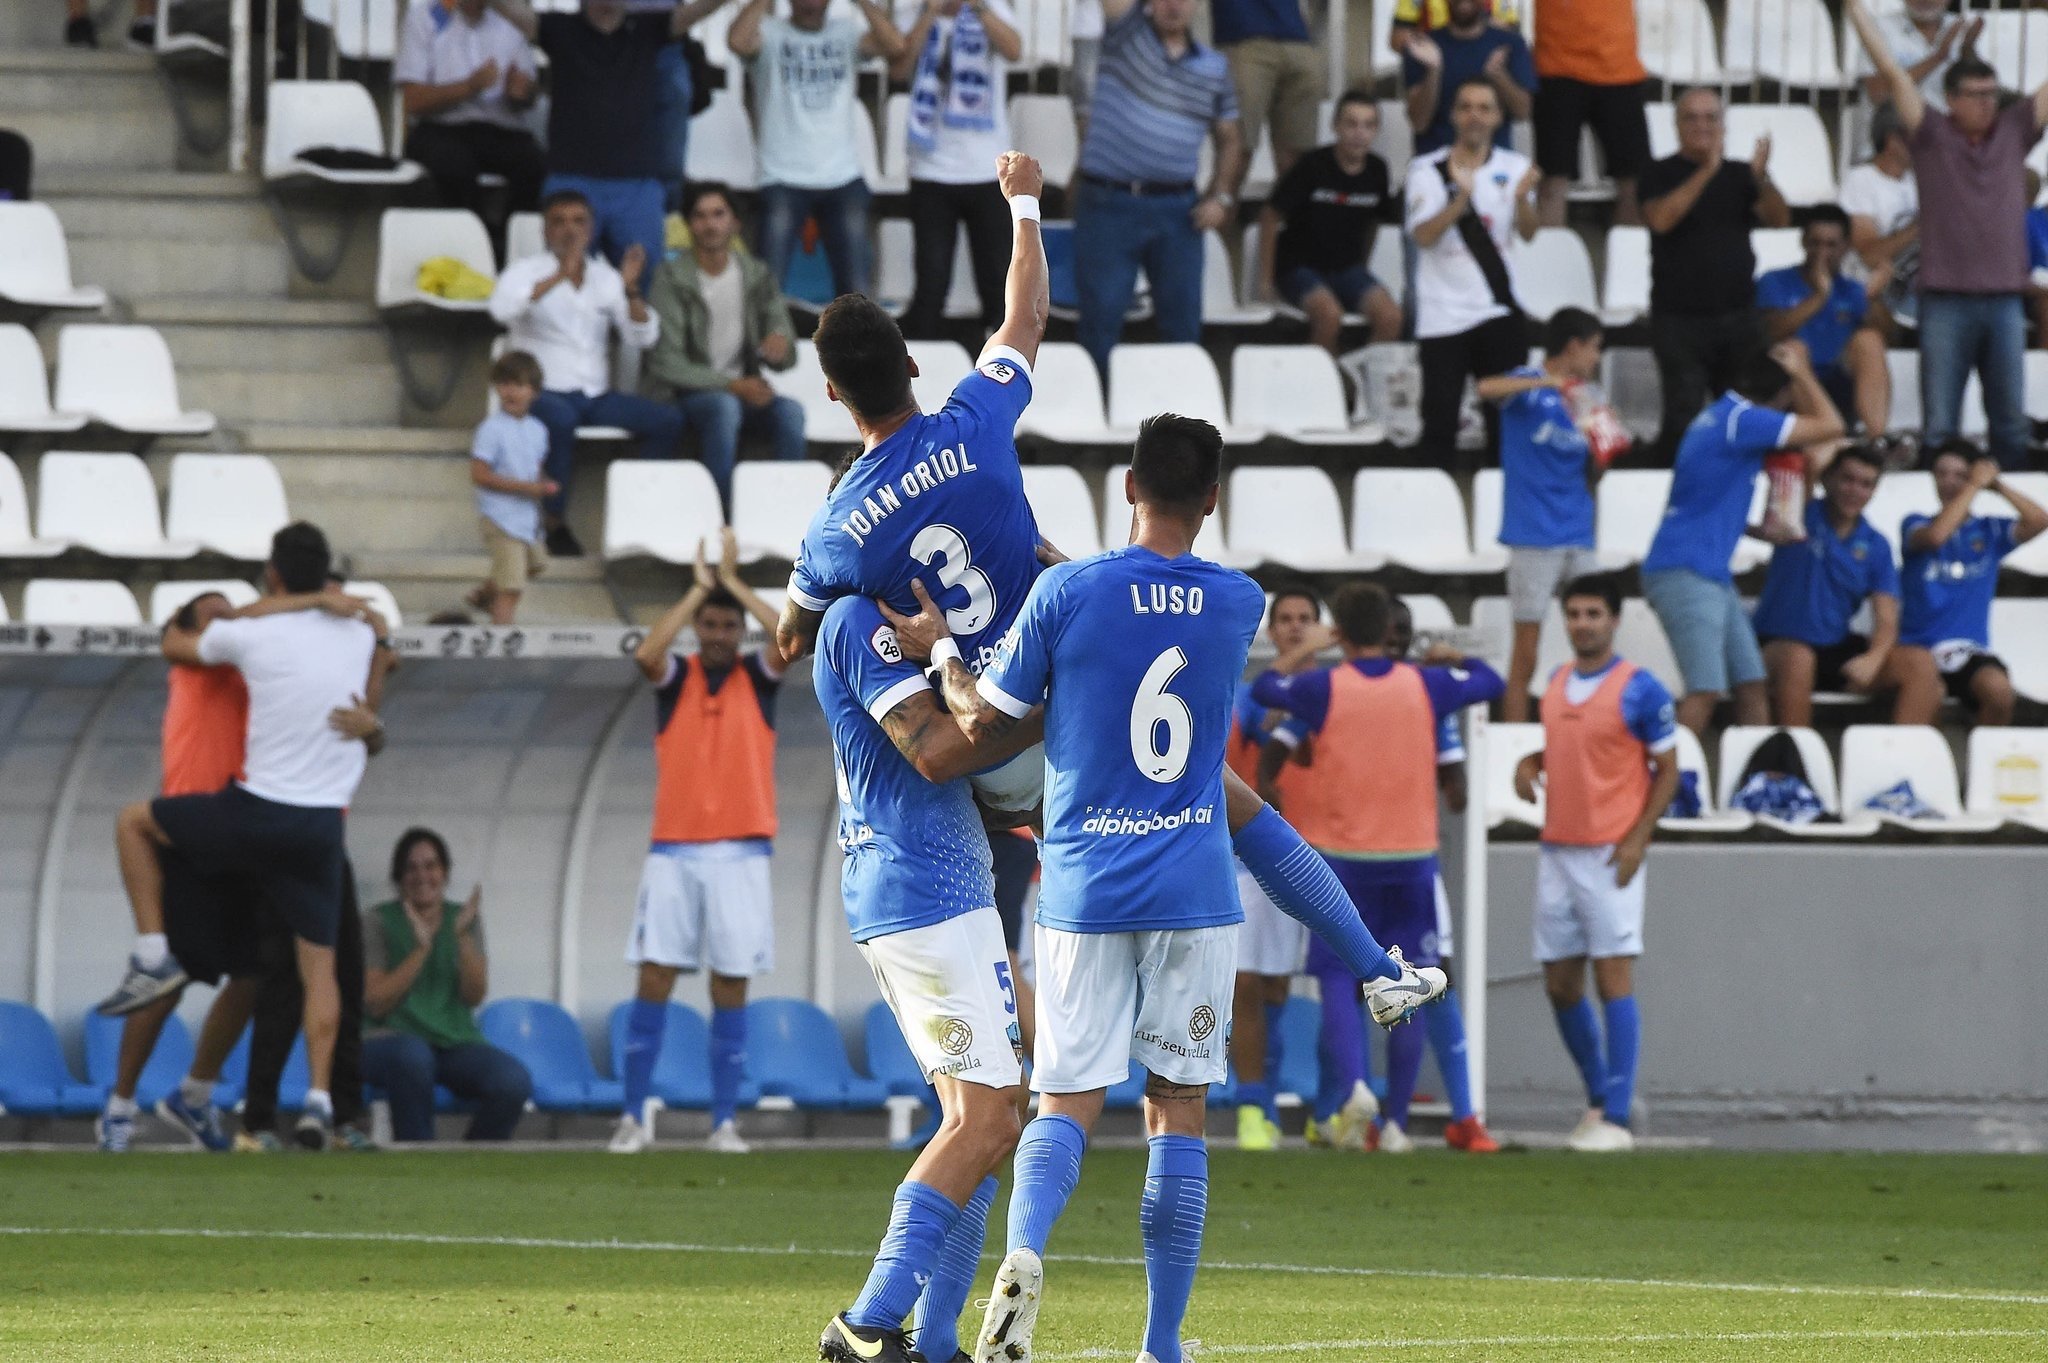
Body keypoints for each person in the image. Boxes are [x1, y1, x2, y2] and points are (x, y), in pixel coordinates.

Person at [887, 417, 1444, 1363]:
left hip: (1082, 888)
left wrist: (941, 650)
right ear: (1214, 497)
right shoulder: (1239, 600)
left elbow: (984, 718)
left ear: (1130, 480)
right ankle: (1162, 1341)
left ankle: (1023, 1254)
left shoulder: (1069, 591)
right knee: (1176, 1109)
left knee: (1062, 1105)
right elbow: (1147, 612)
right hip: (1191, 884)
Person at [807, 568, 1046, 1363]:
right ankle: (867, 1325)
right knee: (982, 1117)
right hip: (918, 888)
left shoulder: (907, 619)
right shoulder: (851, 619)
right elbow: (940, 750)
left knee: (992, 1117)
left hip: (951, 887)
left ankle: (938, 1341)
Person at [93, 523, 379, 1152]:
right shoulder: (200, 653)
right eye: (211, 611)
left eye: (232, 605)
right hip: (199, 838)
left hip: (250, 825)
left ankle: (193, 1094)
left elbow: (313, 668)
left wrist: (370, 725)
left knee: (252, 974)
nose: (227, 613)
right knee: (174, 977)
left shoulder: (257, 650)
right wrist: (312, 600)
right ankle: (118, 1103)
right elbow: (180, 635)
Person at [1253, 581, 1503, 1154]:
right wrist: (1454, 658)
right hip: (1412, 858)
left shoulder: (1322, 686)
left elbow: (1268, 687)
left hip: (1345, 859)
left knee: (1340, 974)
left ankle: (1357, 1089)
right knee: (1409, 976)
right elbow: (1492, 682)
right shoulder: (1425, 683)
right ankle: (1392, 1124)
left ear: (1337, 631)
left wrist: (1297, 651)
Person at [610, 528, 786, 1156]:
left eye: (725, 625)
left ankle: (723, 1122)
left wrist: (735, 585)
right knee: (655, 976)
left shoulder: (756, 679)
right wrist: (696, 589)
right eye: (708, 625)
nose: (715, 634)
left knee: (730, 981)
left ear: (737, 631)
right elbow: (645, 656)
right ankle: (631, 1117)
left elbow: (793, 638)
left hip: (741, 852)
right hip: (675, 850)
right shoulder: (677, 676)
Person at [1512, 574, 1680, 1154]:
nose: (1582, 623)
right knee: (1560, 983)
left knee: (1613, 979)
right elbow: (1568, 750)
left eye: (1593, 614)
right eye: (1574, 614)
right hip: (1558, 848)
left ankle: (1617, 1118)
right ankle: (1601, 1097)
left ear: (1614, 620)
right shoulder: (1556, 682)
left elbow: (1670, 770)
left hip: (1610, 851)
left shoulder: (1642, 690)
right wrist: (1532, 761)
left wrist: (1638, 838)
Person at [1848, 0, 2047, 470]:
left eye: (1992, 93)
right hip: (1944, 299)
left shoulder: (2014, 130)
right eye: (1976, 94)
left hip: (2003, 299)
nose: (1987, 102)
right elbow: (1891, 73)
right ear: (1951, 100)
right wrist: (1853, 10)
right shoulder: (1932, 134)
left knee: (2009, 424)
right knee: (1939, 424)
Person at [1641, 344, 1845, 737]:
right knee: (1704, 690)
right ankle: (1668, 789)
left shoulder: (1718, 418)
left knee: (1751, 683)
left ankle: (1758, 783)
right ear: (1782, 394)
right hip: (1688, 571)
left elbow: (1705, 500)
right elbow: (1830, 424)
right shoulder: (1741, 421)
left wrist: (1754, 529)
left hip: (1706, 570)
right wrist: (1803, 372)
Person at [488, 189, 677, 558]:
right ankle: (555, 524)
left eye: (578, 222)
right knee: (559, 419)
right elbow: (501, 311)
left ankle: (642, 512)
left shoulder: (606, 277)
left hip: (595, 394)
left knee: (667, 420)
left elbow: (642, 335)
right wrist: (558, 276)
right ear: (545, 230)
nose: (568, 230)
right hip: (543, 392)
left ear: (591, 230)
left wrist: (631, 290)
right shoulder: (525, 271)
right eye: (558, 222)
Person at [1070, 0, 1245, 374]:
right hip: (1108, 203)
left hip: (1178, 210)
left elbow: (1231, 138)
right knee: (1100, 324)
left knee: (1182, 327)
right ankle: (1098, 421)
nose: (1173, 5)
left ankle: (1179, 426)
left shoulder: (1215, 66)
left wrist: (1221, 196)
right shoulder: (1124, 33)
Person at [1384, 597, 1491, 1154]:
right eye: (1390, 629)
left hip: (1406, 862)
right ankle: (1370, 1114)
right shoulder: (1414, 694)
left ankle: (1453, 1116)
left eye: (1405, 629)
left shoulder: (1425, 699)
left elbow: (1458, 792)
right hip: (1365, 858)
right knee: (1375, 981)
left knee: (1427, 976)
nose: (1399, 638)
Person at [1640, 89, 1790, 461]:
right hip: (1679, 319)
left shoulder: (1741, 174)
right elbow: (1661, 219)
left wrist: (1762, 177)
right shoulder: (1659, 172)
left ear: (1723, 124)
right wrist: (1708, 169)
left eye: (1711, 118)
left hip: (1738, 315)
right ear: (1676, 125)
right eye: (1692, 117)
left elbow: (1780, 219)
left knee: (1744, 412)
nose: (1702, 126)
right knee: (1684, 418)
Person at [498, 0, 702, 269]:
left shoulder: (651, 27)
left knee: (640, 287)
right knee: (567, 283)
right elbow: (504, 7)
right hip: (571, 181)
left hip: (637, 185)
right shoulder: (558, 28)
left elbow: (701, 9)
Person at [1225, 585, 1321, 1152]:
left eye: (1305, 619)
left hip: (1312, 850)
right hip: (1242, 854)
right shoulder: (1249, 695)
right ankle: (1251, 1105)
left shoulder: (1334, 692)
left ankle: (1303, 1104)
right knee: (1246, 985)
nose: (1294, 627)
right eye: (1285, 619)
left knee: (1282, 983)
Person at [360, 829, 533, 1142]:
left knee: (513, 1081)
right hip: (390, 1041)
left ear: (445, 873)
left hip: (452, 1043)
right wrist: (420, 951)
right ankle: (419, 1160)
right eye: (411, 868)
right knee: (414, 1057)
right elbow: (375, 1001)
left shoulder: (462, 919)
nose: (422, 875)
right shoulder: (376, 921)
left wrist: (463, 938)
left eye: (431, 866)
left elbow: (474, 995)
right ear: (399, 876)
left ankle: (470, 1163)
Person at [643, 182, 806, 513]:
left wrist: (778, 347)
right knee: (723, 407)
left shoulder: (756, 274)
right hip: (682, 395)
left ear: (735, 223)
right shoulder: (671, 277)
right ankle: (719, 515)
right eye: (700, 216)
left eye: (719, 214)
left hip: (739, 389)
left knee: (790, 413)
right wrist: (732, 385)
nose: (710, 224)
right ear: (689, 225)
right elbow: (666, 364)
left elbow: (786, 354)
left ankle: (788, 515)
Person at [1476, 305, 1605, 723]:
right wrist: (1551, 381)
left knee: (1592, 640)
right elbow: (1485, 388)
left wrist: (1605, 440)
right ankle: (1513, 735)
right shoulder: (1528, 386)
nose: (1596, 359)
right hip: (1533, 532)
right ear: (1573, 346)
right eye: (1594, 349)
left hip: (1579, 530)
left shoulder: (1589, 397)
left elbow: (1595, 470)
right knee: (1526, 648)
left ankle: (1585, 724)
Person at [729, 0, 906, 300]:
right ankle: (764, 347)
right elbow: (736, 41)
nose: (811, 3)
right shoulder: (770, 33)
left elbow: (896, 45)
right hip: (781, 176)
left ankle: (855, 349)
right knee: (765, 293)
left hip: (842, 176)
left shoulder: (846, 32)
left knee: (857, 293)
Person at [1405, 77, 1540, 466]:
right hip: (1442, 314)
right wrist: (1460, 198)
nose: (1474, 116)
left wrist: (1521, 201)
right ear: (1453, 116)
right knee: (1439, 424)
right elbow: (1424, 236)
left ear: (1498, 117)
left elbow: (1529, 233)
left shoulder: (1515, 168)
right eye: (1465, 107)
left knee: (1505, 428)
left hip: (1498, 311)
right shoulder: (1427, 170)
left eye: (1484, 108)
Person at [890, 0, 1023, 339]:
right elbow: (899, 68)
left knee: (997, 282)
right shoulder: (913, 10)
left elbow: (1014, 49)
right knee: (931, 282)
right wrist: (931, 13)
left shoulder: (988, 6)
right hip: (931, 170)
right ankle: (923, 370)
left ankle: (1000, 368)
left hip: (986, 170)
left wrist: (977, 8)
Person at [1894, 440, 2048, 725]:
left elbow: (2040, 520)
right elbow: (1936, 536)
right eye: (1942, 474)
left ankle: (1980, 764)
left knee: (1999, 691)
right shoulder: (1914, 523)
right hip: (1916, 648)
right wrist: (1973, 486)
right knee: (1928, 690)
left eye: (1960, 475)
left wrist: (1997, 485)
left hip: (1965, 650)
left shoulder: (1989, 530)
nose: (1949, 482)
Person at [1753, 446, 1902, 727]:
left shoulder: (1877, 544)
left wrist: (1875, 658)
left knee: (1917, 667)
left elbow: (1886, 617)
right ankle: (1796, 759)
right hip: (1775, 642)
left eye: (1866, 484)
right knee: (1799, 657)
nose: (1855, 491)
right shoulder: (1801, 513)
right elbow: (1809, 461)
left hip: (1833, 647)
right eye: (1847, 479)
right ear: (1829, 479)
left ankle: (1903, 759)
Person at [1254, 90, 1403, 357]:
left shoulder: (1378, 170)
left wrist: (1362, 264)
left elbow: (1374, 222)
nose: (1360, 133)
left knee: (1391, 317)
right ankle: (1326, 388)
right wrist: (1265, 280)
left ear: (1376, 131)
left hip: (1347, 269)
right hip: (1298, 267)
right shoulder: (1312, 165)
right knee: (1329, 315)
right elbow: (1270, 215)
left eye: (1368, 125)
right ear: (1336, 126)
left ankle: (1359, 382)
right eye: (1351, 123)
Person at [394, 0, 545, 250]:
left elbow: (528, 95)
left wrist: (522, 92)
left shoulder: (510, 19)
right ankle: (472, 248)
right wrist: (469, 87)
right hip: (440, 126)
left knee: (536, 167)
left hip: (500, 127)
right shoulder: (426, 17)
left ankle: (509, 248)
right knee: (453, 166)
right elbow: (413, 101)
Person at [1757, 205, 1894, 445]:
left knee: (1869, 339)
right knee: (1793, 348)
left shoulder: (1852, 289)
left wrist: (1871, 298)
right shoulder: (1775, 280)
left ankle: (1876, 442)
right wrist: (1820, 296)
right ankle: (1820, 436)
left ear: (1846, 246)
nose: (1822, 252)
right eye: (1815, 243)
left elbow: (1890, 337)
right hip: (1789, 385)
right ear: (1803, 242)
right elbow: (1771, 332)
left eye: (1831, 245)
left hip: (1838, 382)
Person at [1529, 0, 1645, 226]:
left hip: (1619, 69)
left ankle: (1626, 258)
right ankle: (1547, 259)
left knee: (1634, 182)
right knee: (1553, 182)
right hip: (1557, 69)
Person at [469, 349, 558, 625]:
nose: (511, 392)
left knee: (534, 565)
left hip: (526, 518)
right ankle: (502, 641)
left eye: (519, 385)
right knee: (512, 587)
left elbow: (534, 467)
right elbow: (480, 475)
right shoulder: (491, 429)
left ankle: (485, 594)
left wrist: (543, 484)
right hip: (500, 517)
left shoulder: (538, 430)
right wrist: (524, 488)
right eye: (504, 384)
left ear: (534, 391)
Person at [1401, 0, 1534, 156]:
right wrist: (1433, 71)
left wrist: (1499, 76)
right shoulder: (1423, 45)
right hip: (1435, 163)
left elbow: (1523, 112)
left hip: (1494, 164)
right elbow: (1418, 123)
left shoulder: (1511, 44)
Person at [1212, 0, 1323, 179]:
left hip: (1297, 37)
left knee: (1297, 163)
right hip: (1244, 36)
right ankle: (1221, 204)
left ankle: (1285, 207)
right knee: (1236, 150)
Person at [1840, 104, 1919, 334]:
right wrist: (1920, 227)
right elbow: (1869, 256)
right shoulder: (1861, 181)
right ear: (1893, 140)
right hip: (1877, 287)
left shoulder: (1916, 179)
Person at [1856, 0, 1979, 114]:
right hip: (1897, 132)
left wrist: (1968, 53)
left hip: (1949, 133)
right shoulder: (1880, 28)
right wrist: (1938, 57)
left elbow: (1983, 92)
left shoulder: (1962, 28)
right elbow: (1877, 93)